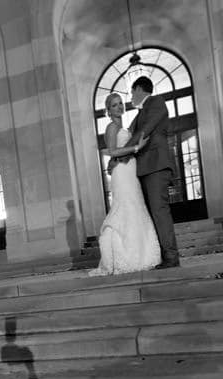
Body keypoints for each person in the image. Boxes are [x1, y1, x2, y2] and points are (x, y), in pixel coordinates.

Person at [90, 92, 162, 276]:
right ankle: (121, 256)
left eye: (120, 103)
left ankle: (139, 255)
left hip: (131, 170)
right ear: (108, 110)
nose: (119, 107)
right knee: (125, 207)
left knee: (136, 206)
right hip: (121, 173)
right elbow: (113, 151)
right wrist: (136, 147)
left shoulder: (124, 127)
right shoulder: (111, 127)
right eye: (114, 105)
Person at [127, 76, 181, 268]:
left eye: (132, 92)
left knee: (159, 212)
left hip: (156, 165)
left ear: (139, 89)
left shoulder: (156, 102)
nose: (131, 97)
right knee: (153, 214)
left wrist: (121, 153)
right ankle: (162, 255)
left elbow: (145, 130)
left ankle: (171, 257)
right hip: (144, 168)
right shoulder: (139, 113)